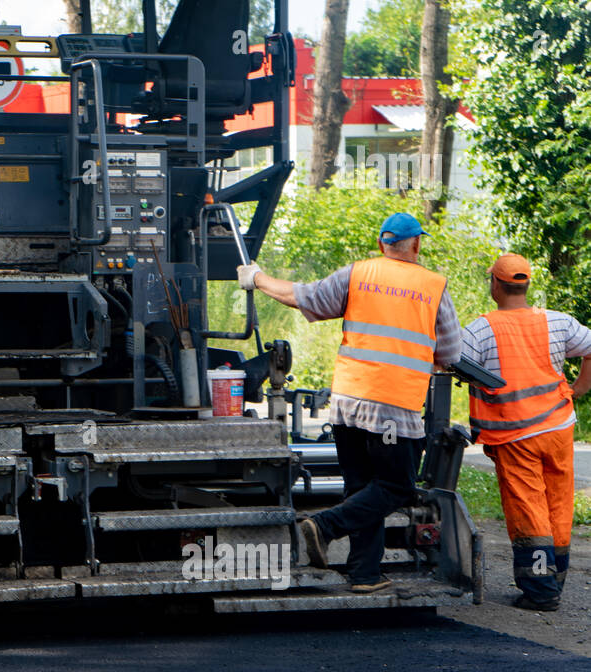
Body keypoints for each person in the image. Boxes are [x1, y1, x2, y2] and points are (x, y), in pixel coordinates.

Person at [237, 212, 462, 591]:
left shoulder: (357, 274)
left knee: (361, 486)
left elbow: (301, 296)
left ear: (381, 244)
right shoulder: (433, 285)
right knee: (395, 487)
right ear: (417, 245)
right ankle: (324, 526)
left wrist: (257, 279)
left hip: (348, 402)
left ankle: (365, 573)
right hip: (392, 408)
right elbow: (451, 354)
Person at [464, 253, 591, 611]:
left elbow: (450, 359)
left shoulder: (481, 329)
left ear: (495, 285)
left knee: (528, 508)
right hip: (558, 429)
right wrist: (578, 389)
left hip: (515, 434)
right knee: (558, 503)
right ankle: (555, 579)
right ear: (526, 284)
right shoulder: (557, 322)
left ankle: (540, 591)